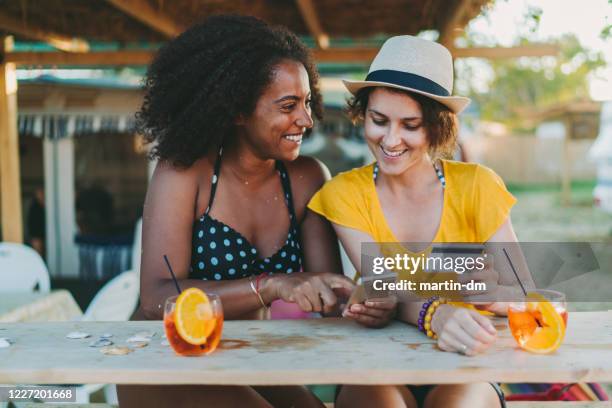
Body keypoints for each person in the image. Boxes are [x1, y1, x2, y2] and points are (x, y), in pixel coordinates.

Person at [117, 15, 357, 407]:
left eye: (307, 102)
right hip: (165, 356)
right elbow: (157, 296)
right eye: (288, 105)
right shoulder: (185, 173)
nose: (307, 120)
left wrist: (361, 296)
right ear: (237, 111)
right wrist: (270, 285)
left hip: (242, 355)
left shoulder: (307, 177)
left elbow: (327, 294)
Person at [308, 36, 532, 408]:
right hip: (376, 360)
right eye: (379, 121)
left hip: (465, 357)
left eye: (410, 125)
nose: (390, 140)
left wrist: (493, 297)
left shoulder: (477, 185)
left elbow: (525, 294)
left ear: (436, 129)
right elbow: (386, 287)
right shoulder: (345, 192)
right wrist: (436, 311)